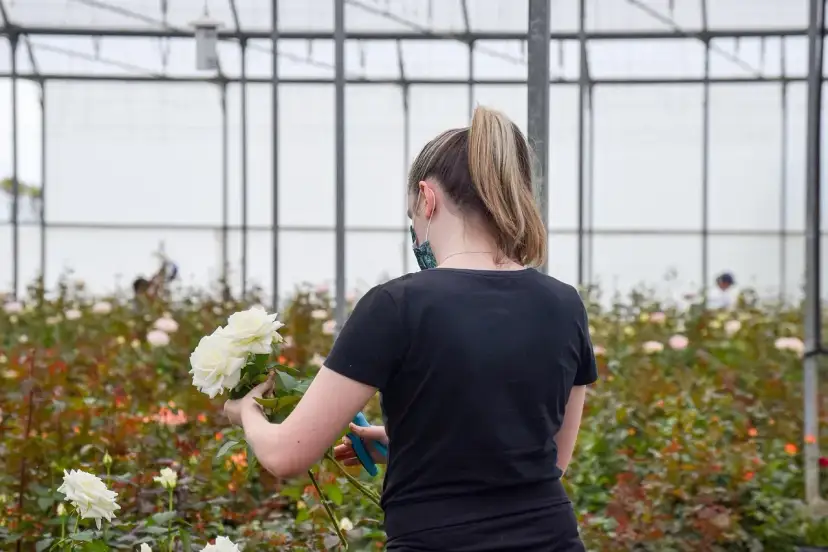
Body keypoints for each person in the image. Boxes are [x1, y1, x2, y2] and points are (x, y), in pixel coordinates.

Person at [223, 106, 597, 551]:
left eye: (411, 216)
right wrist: (410, 443)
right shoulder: (563, 304)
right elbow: (550, 459)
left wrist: (246, 412)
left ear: (427, 198)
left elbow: (286, 454)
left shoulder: (397, 305)